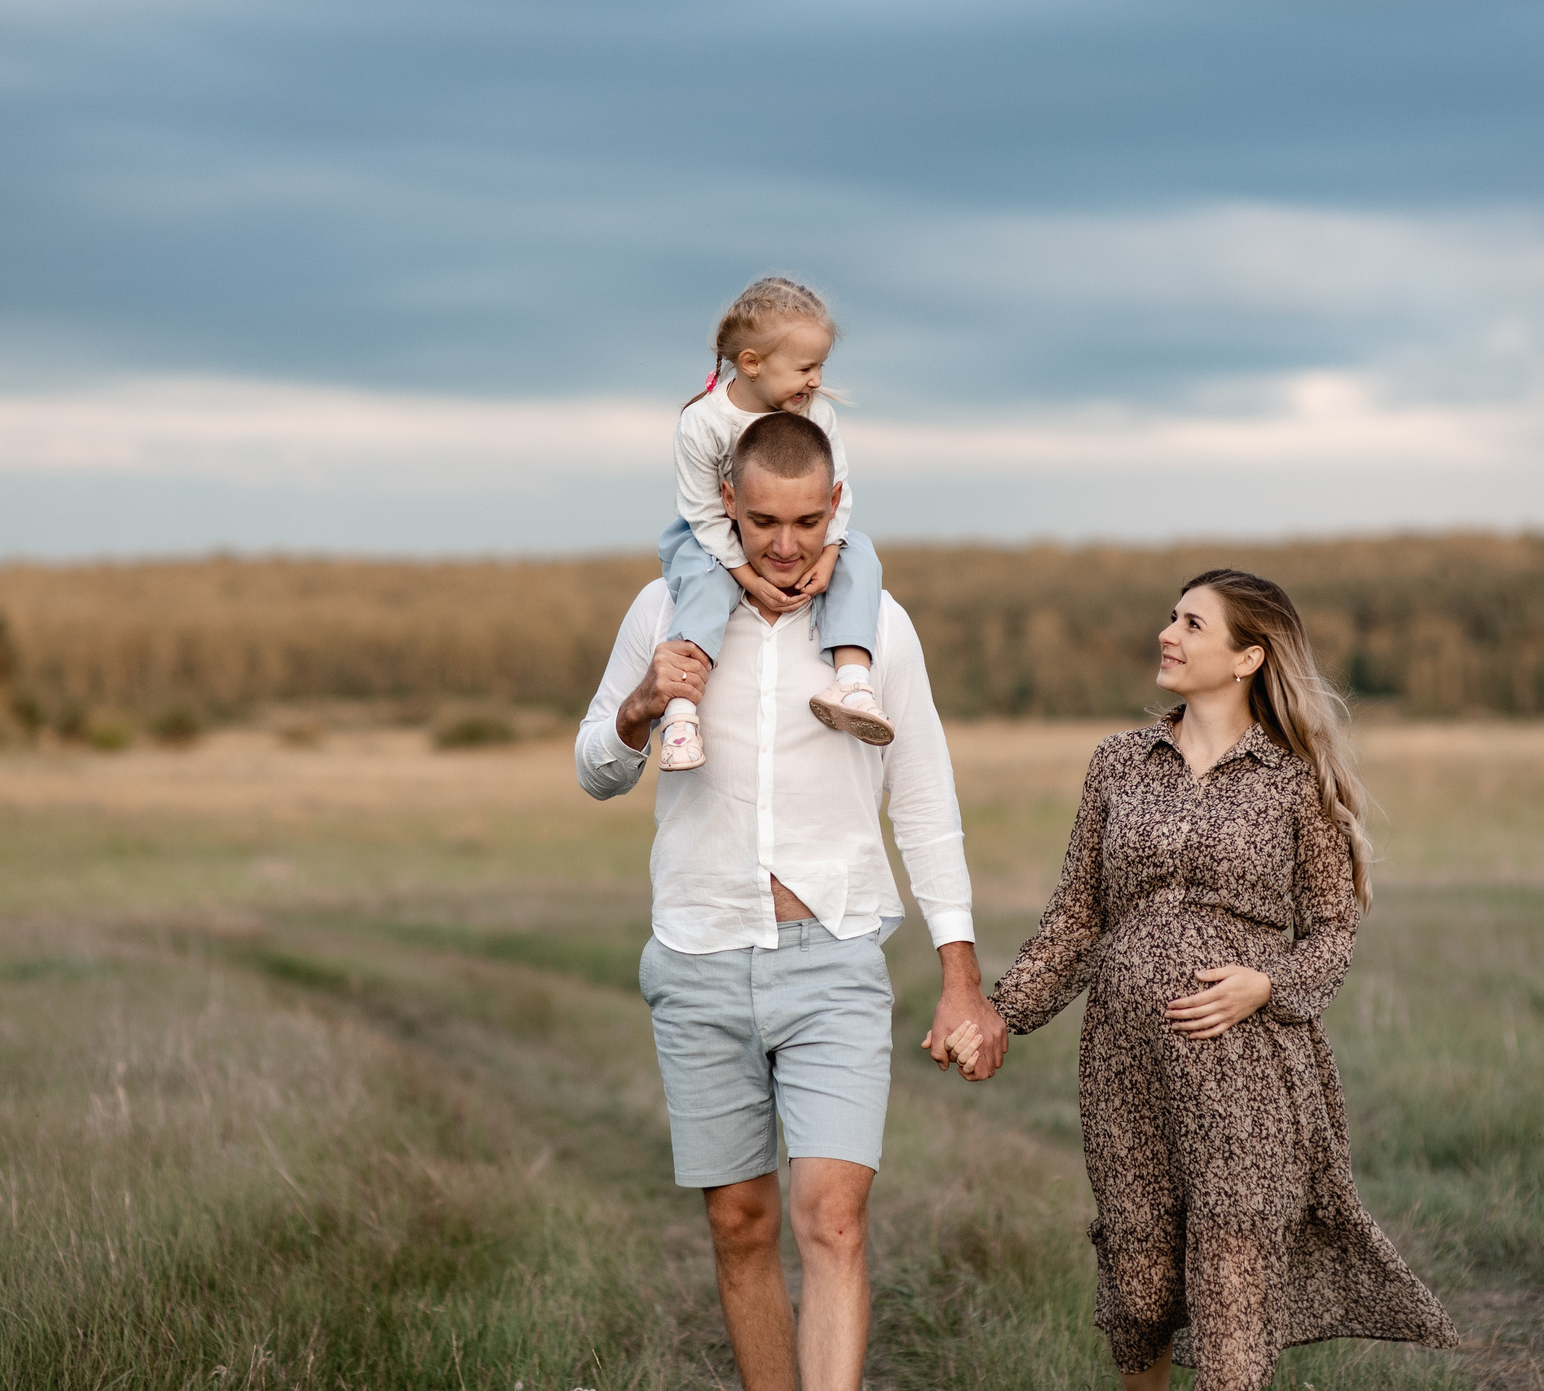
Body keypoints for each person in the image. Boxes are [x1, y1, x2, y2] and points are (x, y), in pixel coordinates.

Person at [575, 410, 1011, 1391]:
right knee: (741, 1223)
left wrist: (960, 976)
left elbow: (927, 800)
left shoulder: (877, 627)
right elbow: (594, 766)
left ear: (836, 507)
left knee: (832, 1217)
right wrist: (640, 709)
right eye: (763, 518)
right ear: (724, 502)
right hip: (697, 956)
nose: (783, 542)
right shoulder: (662, 612)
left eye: (806, 521)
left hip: (834, 958)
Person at [985, 568, 1459, 1390]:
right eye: (1172, 618)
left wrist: (1265, 985)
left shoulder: (1292, 779)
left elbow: (1332, 929)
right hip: (1127, 1068)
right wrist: (999, 1014)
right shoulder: (1118, 764)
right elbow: (1076, 916)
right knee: (1139, 1289)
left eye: (1193, 624)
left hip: (1245, 1071)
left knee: (1233, 1280)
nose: (1168, 634)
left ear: (1248, 657)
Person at [654, 276, 888, 774]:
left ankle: (852, 680)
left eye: (820, 366)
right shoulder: (704, 423)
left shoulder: (816, 416)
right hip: (712, 535)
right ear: (752, 363)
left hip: (795, 544)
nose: (816, 381)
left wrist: (828, 557)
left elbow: (836, 496)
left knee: (861, 556)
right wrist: (748, 578)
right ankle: (680, 711)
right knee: (702, 576)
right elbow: (701, 513)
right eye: (805, 368)